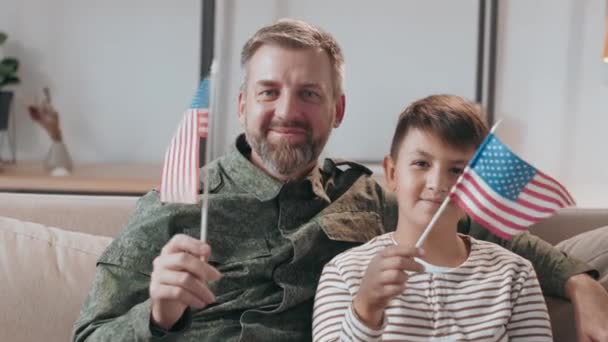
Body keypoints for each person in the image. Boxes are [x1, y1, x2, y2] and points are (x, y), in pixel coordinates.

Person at [73, 18, 608, 341]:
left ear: (338, 110)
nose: (287, 110)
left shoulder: (371, 198)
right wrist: (158, 315)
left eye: (309, 93)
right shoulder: (172, 206)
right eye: (268, 92)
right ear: (241, 105)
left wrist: (581, 282)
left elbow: (482, 226)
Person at [313, 95, 552, 341]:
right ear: (392, 173)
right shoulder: (344, 272)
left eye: (457, 170)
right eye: (421, 163)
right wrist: (366, 309)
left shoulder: (514, 275)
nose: (438, 183)